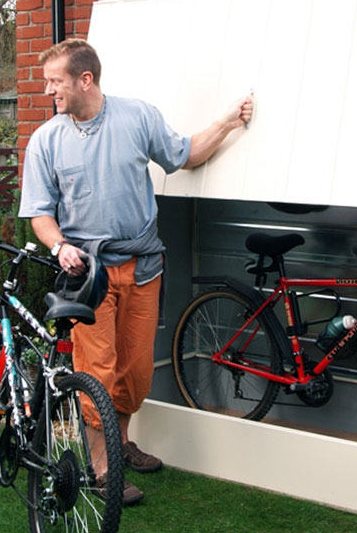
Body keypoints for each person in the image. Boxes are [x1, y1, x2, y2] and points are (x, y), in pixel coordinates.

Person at [20, 38, 252, 505]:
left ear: (85, 79)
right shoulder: (47, 140)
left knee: (136, 371)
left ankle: (121, 442)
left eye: (54, 81)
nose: (49, 92)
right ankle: (103, 469)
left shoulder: (137, 117)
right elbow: (40, 214)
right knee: (97, 371)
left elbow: (185, 154)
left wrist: (227, 122)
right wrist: (59, 244)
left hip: (144, 266)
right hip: (89, 274)